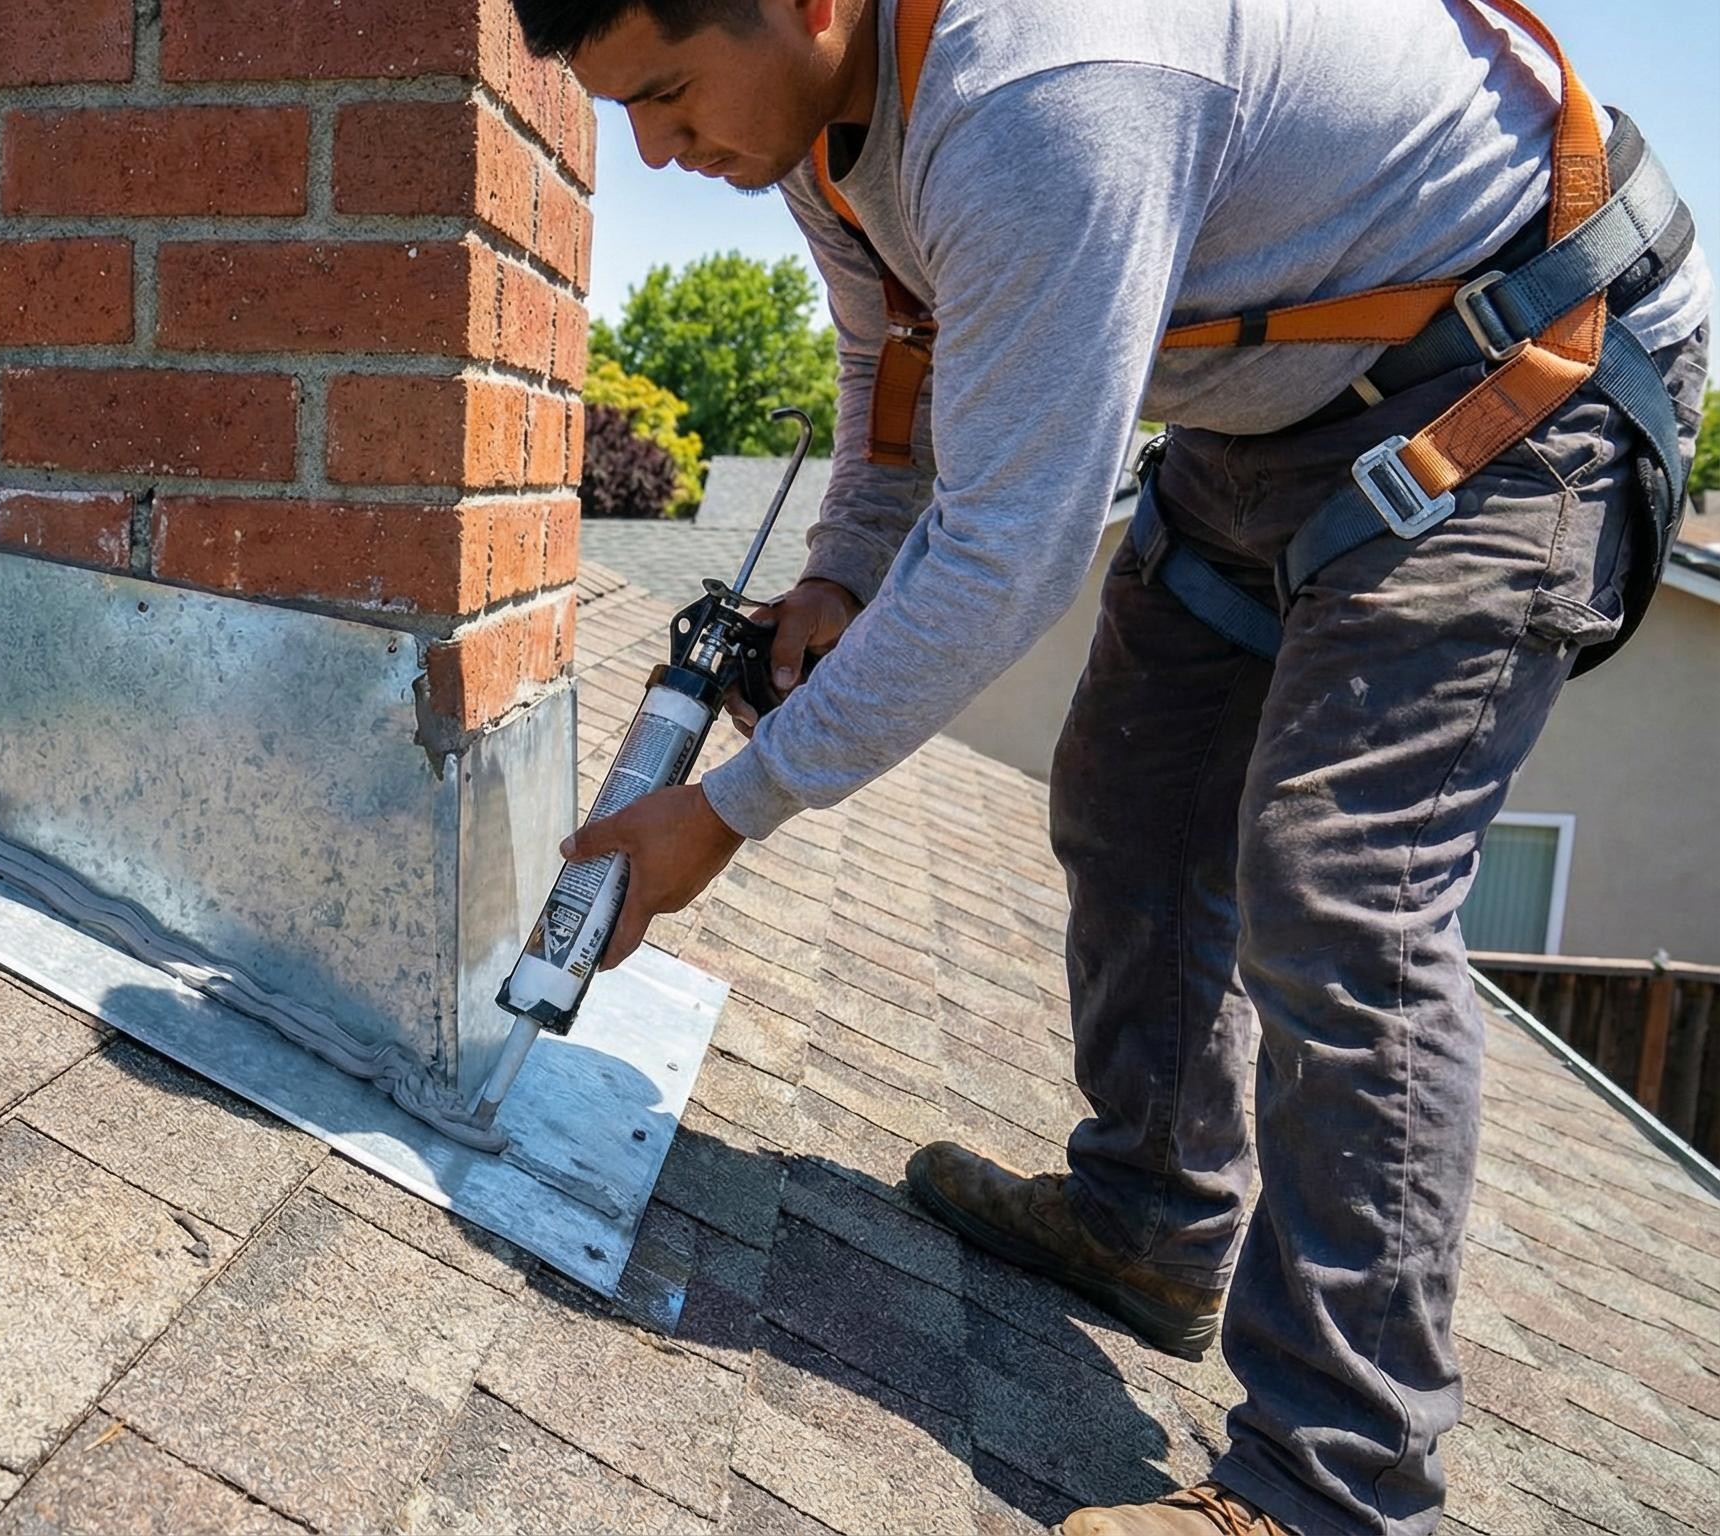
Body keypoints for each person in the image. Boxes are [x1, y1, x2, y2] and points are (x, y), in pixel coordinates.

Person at [517, 0, 1709, 1531]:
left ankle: (1331, 1488)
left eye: (671, 94)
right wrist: (838, 573)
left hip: (1518, 372)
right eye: (625, 109)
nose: (656, 151)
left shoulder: (1043, 97)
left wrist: (728, 813)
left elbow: (1003, 559)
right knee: (1128, 792)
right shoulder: (820, 137)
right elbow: (898, 360)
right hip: (1274, 407)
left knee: (1340, 888)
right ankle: (1149, 1219)